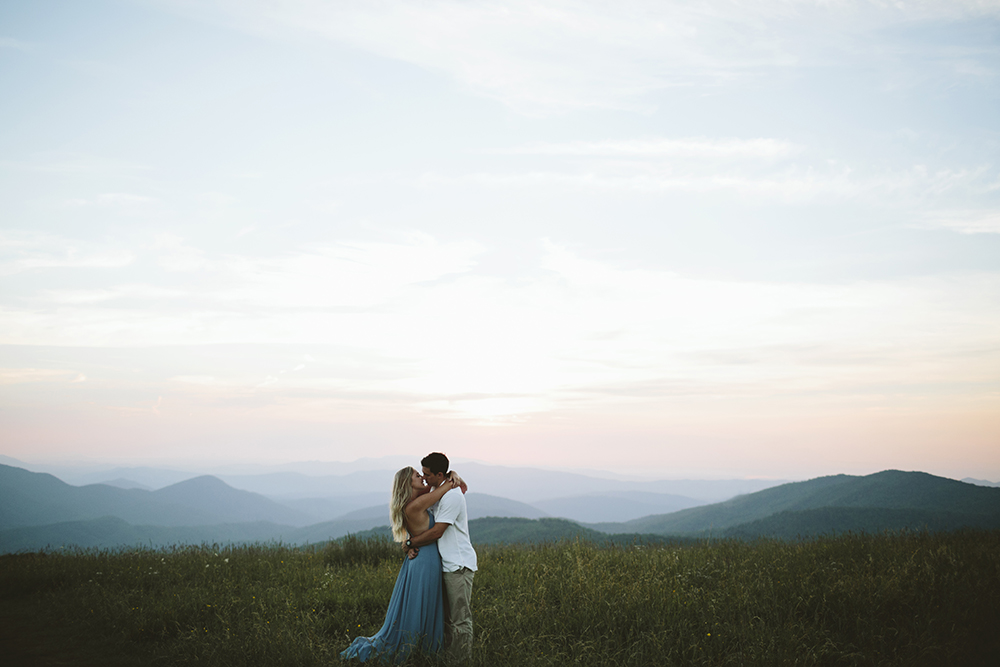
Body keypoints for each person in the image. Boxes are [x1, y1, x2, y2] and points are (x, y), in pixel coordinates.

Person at [340, 466, 464, 664]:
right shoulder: (416, 505)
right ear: (408, 483)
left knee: (419, 603)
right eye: (417, 475)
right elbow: (446, 488)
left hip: (420, 558)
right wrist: (452, 477)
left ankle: (422, 644)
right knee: (423, 602)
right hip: (426, 560)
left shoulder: (414, 501)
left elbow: (453, 486)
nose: (422, 477)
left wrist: (453, 475)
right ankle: (421, 646)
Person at [407, 452, 478, 664]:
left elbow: (438, 531)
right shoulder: (439, 492)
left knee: (459, 619)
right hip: (446, 565)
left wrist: (411, 543)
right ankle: (447, 657)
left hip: (459, 565)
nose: (424, 478)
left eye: (427, 475)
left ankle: (460, 661)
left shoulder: (452, 496)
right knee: (446, 619)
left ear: (439, 474)